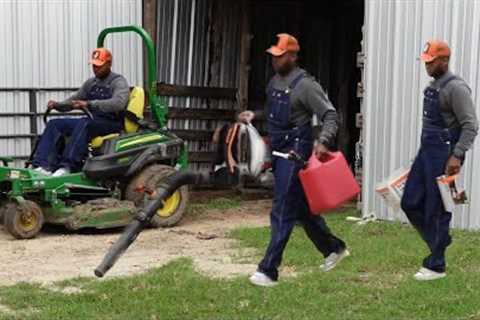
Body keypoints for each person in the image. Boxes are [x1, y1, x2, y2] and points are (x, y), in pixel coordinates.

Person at [239, 33, 349, 287]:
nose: (275, 61)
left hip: (296, 155)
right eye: (274, 56)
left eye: (280, 56)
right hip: (278, 154)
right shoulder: (275, 82)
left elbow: (330, 115)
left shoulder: (306, 86)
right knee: (300, 209)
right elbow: (273, 113)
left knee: (282, 211)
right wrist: (254, 114)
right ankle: (334, 248)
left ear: (293, 56)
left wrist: (323, 140)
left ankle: (268, 270)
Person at [401, 40, 478, 281]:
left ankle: (436, 265)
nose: (427, 66)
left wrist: (457, 155)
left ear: (444, 60)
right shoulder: (433, 86)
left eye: (431, 61)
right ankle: (440, 241)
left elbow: (471, 125)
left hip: (445, 156)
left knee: (438, 208)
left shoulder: (456, 89)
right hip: (427, 152)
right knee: (409, 202)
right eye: (426, 61)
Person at [32, 48, 129, 176]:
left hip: (111, 122)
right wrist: (58, 105)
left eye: (99, 66)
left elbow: (119, 103)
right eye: (94, 65)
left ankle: (68, 166)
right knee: (55, 124)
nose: (96, 69)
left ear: (109, 64)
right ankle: (43, 165)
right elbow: (75, 100)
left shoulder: (118, 82)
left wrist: (89, 104)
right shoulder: (91, 83)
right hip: (92, 120)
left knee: (84, 124)